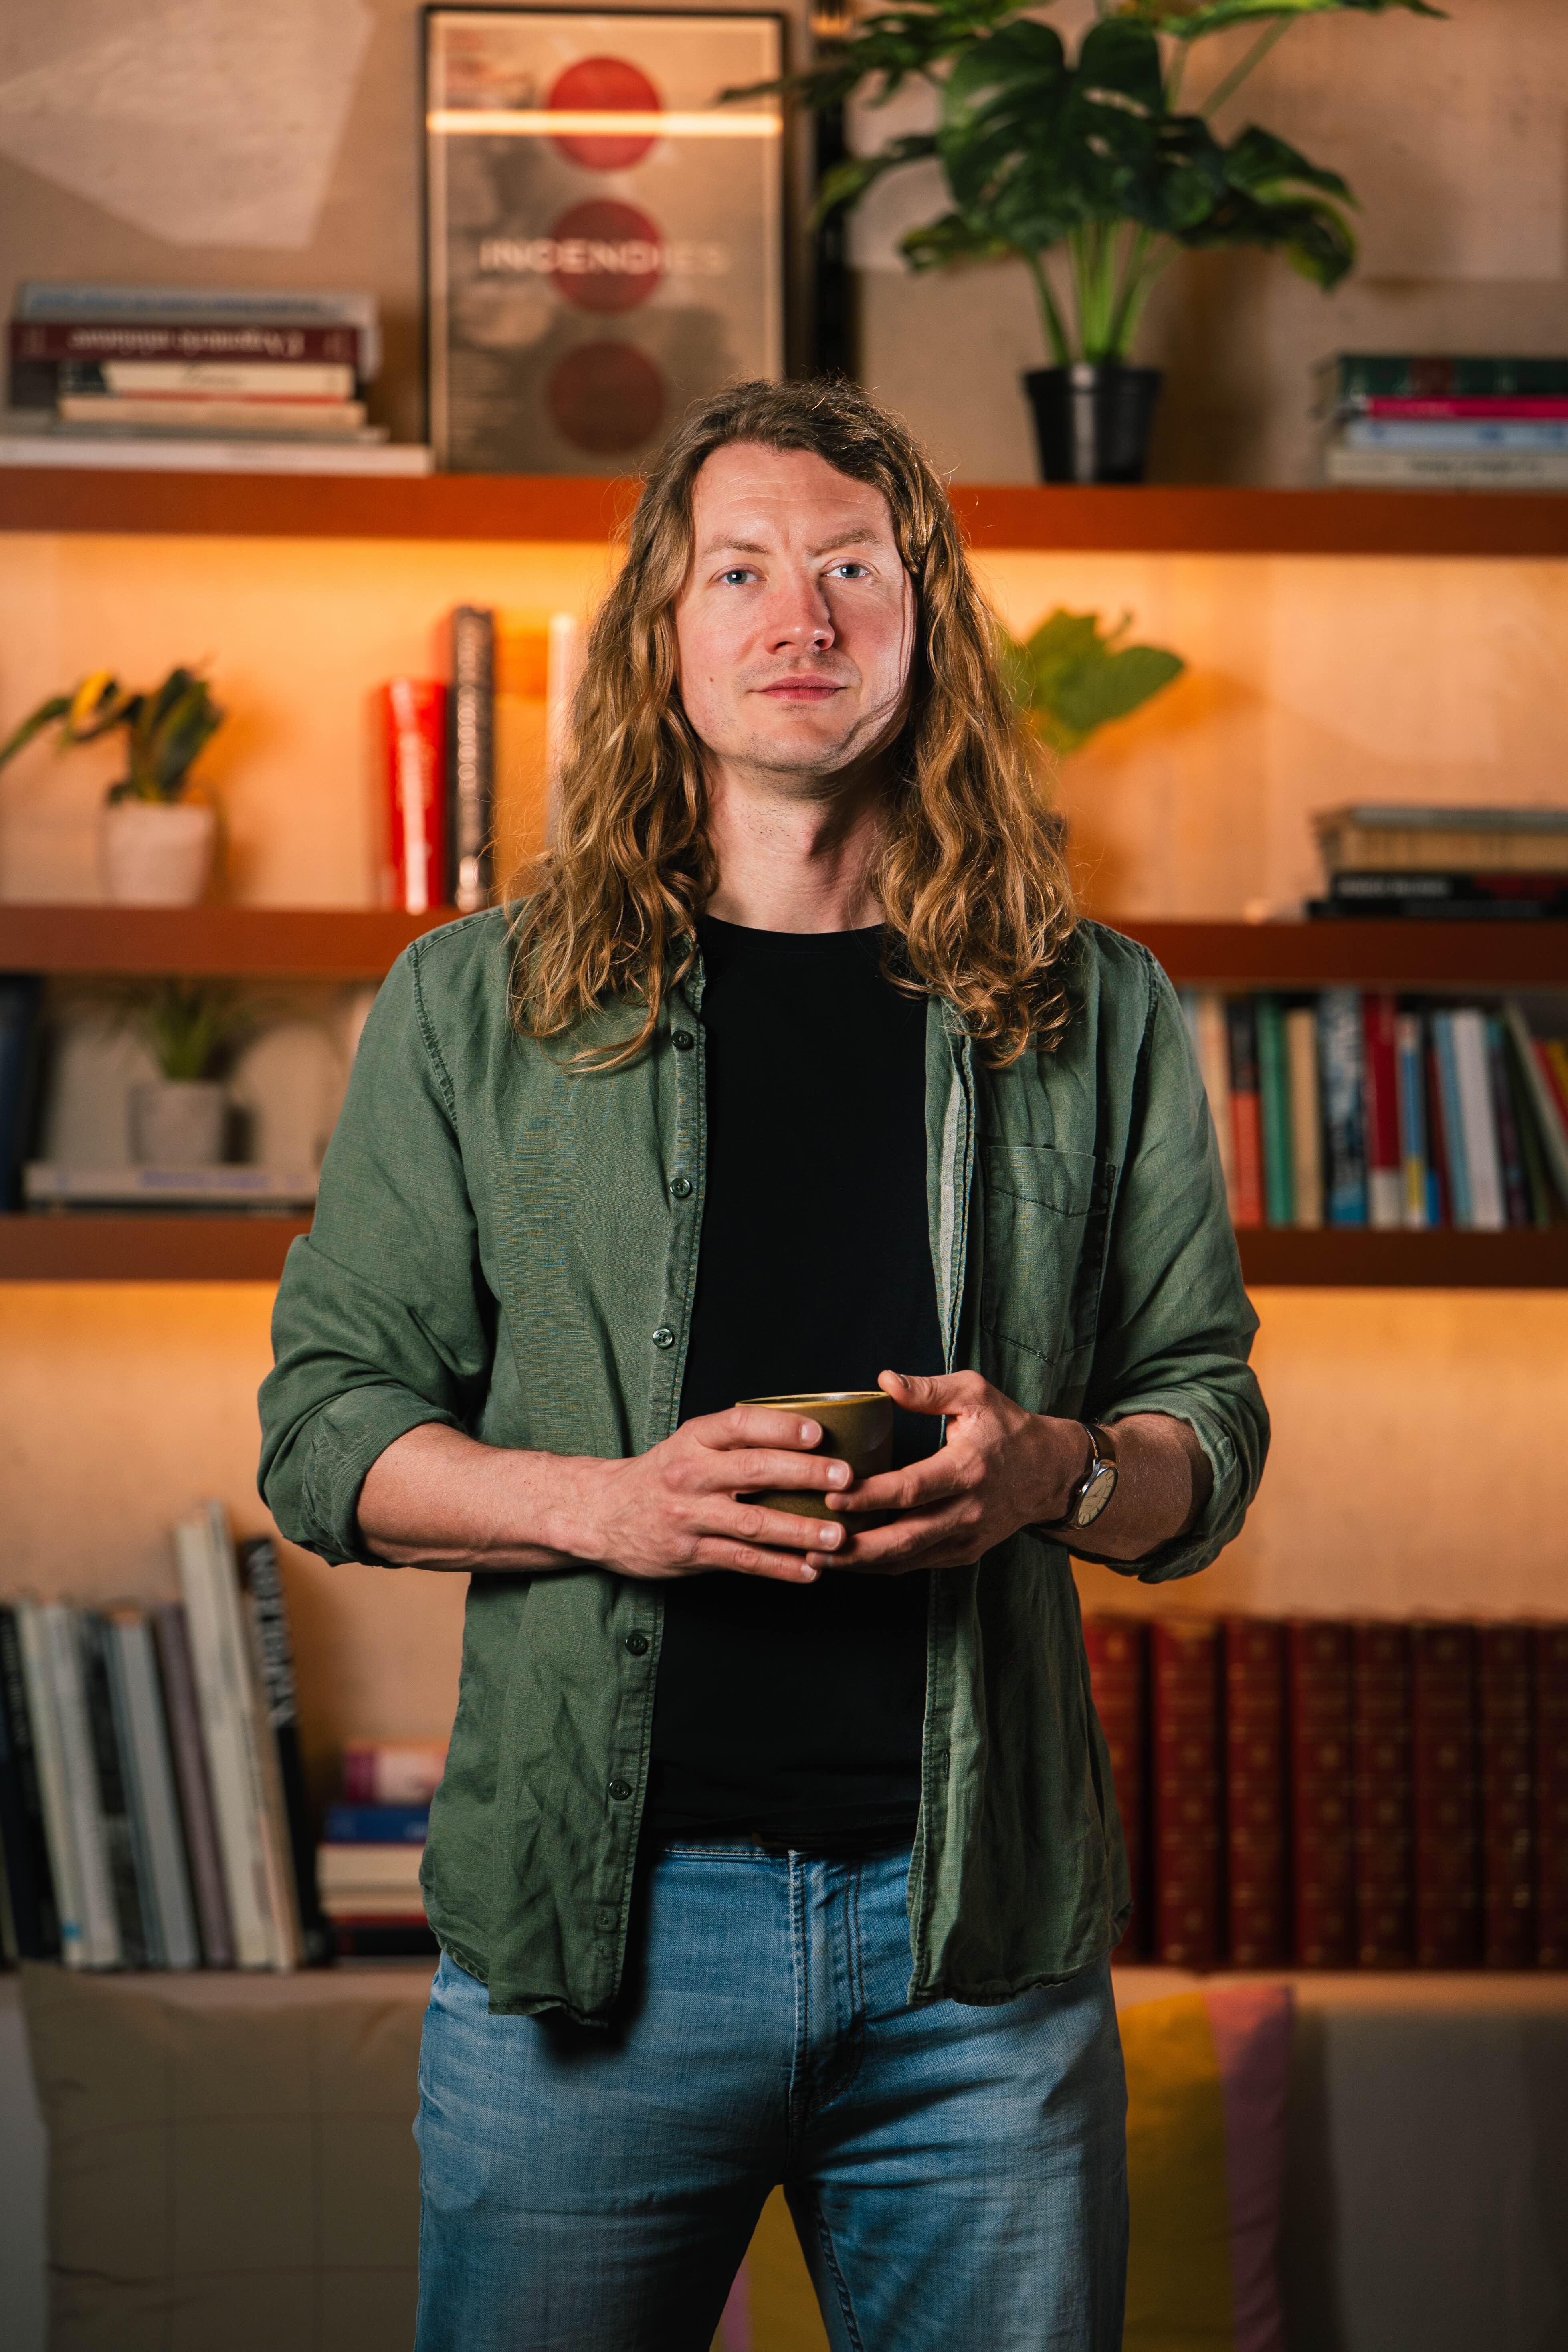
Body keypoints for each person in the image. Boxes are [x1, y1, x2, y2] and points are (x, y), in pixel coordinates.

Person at [259, 377, 1268, 2352]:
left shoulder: (1097, 1006)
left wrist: (1053, 1470)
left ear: (925, 624)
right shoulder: (474, 1005)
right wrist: (610, 1509)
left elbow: (1204, 1434)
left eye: (849, 570)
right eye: (741, 571)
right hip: (595, 1955)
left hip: (975, 1965)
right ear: (667, 632)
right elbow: (328, 1430)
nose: (797, 617)